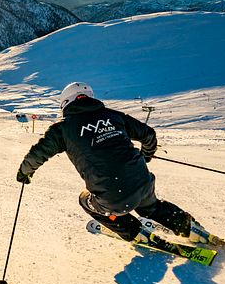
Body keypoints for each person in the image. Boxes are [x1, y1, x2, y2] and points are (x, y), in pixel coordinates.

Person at [16, 82, 195, 242]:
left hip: (112, 196)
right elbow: (148, 135)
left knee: (85, 199)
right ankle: (189, 227)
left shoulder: (61, 129)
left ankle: (133, 232)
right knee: (151, 206)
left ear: (65, 103)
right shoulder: (114, 116)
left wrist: (25, 172)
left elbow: (36, 155)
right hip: (142, 181)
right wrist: (146, 156)